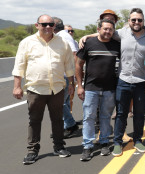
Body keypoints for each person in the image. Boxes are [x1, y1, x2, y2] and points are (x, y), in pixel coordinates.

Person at [12, 14, 74, 165]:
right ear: (37, 25)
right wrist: (17, 86)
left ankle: (59, 147)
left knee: (58, 120)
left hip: (57, 88)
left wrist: (72, 84)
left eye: (51, 24)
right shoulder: (27, 43)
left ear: (54, 26)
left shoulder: (62, 43)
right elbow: (19, 66)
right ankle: (32, 151)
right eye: (44, 24)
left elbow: (69, 65)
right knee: (34, 120)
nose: (48, 27)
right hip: (36, 89)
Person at [76, 19, 120, 161]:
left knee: (105, 116)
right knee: (88, 116)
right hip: (90, 88)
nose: (107, 32)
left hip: (110, 88)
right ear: (99, 29)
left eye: (110, 30)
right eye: (105, 29)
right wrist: (80, 86)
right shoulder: (88, 43)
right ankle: (87, 145)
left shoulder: (116, 45)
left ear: (113, 31)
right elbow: (78, 65)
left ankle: (104, 142)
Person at [111, 8, 145, 157]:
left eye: (139, 20)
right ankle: (117, 142)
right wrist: (86, 36)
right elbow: (105, 32)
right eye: (133, 20)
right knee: (121, 113)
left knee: (139, 114)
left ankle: (138, 140)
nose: (136, 22)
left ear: (143, 21)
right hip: (124, 80)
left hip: (141, 81)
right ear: (129, 21)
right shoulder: (122, 33)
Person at [53, 17, 80, 138]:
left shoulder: (63, 37)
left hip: (65, 75)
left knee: (58, 102)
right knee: (65, 102)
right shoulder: (63, 36)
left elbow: (74, 54)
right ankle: (66, 128)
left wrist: (72, 76)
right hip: (65, 75)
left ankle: (70, 124)